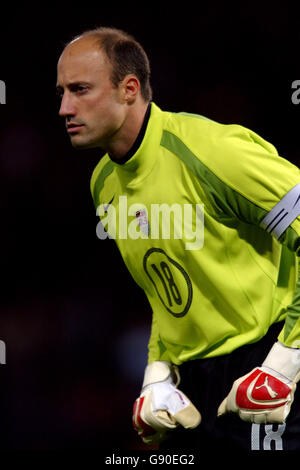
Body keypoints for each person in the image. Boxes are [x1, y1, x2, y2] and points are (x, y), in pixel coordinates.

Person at [56, 27, 300, 452]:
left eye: (80, 90)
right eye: (61, 92)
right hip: (198, 385)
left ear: (129, 89)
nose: (64, 108)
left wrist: (285, 361)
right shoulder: (103, 185)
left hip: (269, 359)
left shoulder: (214, 151)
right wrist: (158, 374)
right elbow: (166, 293)